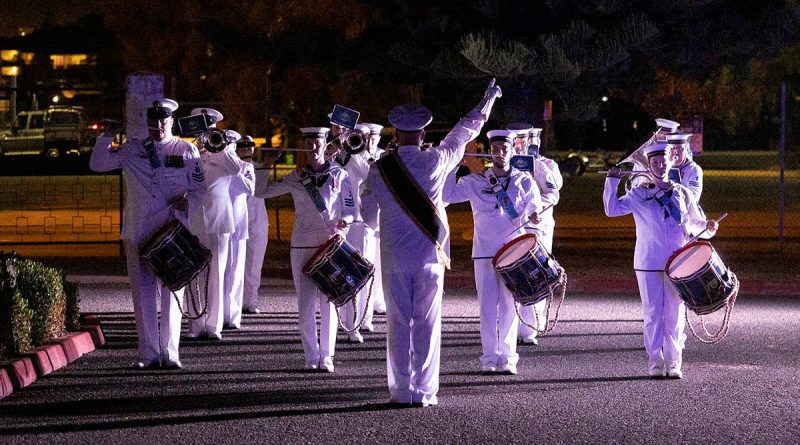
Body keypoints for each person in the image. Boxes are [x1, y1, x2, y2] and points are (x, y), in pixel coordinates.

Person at [361, 79, 502, 406]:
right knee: (427, 323)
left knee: (398, 324)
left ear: (394, 136)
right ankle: (424, 391)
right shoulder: (438, 161)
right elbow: (465, 131)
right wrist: (487, 100)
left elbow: (368, 219)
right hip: (430, 255)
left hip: (395, 258)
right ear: (423, 134)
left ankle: (400, 391)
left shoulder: (379, 169)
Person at [90, 98, 206, 369]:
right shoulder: (133, 149)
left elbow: (200, 189)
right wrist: (106, 137)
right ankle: (148, 353)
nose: (158, 126)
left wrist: (188, 203)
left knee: (171, 292)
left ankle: (171, 352)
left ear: (171, 121)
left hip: (172, 231)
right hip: (139, 230)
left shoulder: (187, 151)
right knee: (142, 294)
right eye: (153, 122)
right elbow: (98, 164)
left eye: (163, 121)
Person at [604, 141, 718, 379]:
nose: (660, 165)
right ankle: (655, 361)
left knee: (674, 315)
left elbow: (696, 225)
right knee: (653, 314)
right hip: (647, 263)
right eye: (655, 162)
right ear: (649, 165)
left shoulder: (682, 193)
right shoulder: (638, 194)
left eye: (663, 160)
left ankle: (674, 362)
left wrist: (709, 228)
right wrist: (611, 182)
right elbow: (611, 209)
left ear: (669, 162)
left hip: (678, 263)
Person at [443, 129, 542, 375]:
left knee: (509, 306)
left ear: (512, 150)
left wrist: (535, 216)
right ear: (489, 151)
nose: (500, 153)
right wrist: (454, 166)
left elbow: (536, 207)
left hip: (513, 252)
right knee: (487, 307)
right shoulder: (475, 182)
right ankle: (489, 357)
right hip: (484, 253)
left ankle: (508, 357)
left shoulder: (524, 181)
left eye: (504, 148)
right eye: (495, 148)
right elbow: (446, 195)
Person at [262, 127, 356, 372]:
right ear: (303, 146)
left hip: (328, 245)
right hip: (302, 245)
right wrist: (265, 166)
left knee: (328, 303)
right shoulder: (296, 177)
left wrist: (345, 222)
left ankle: (327, 356)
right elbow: (260, 192)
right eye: (309, 144)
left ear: (326, 145)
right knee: (305, 305)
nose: (313, 148)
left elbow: (350, 209)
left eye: (317, 143)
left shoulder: (340, 174)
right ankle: (310, 356)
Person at [187, 128, 250, 341]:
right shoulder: (191, 156)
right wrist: (197, 152)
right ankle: (196, 324)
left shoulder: (225, 158)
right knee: (193, 276)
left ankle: (213, 325)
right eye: (202, 135)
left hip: (219, 223)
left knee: (217, 275)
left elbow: (235, 168)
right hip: (194, 221)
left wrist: (219, 148)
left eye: (210, 135)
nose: (205, 140)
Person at [505, 123, 561, 345]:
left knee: (537, 275)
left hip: (540, 226)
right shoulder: (507, 164)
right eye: (516, 141)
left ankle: (531, 327)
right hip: (514, 226)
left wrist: (534, 165)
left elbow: (554, 190)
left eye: (524, 141)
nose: (520, 146)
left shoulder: (546, 164)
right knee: (514, 276)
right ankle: (513, 326)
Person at [334, 124, 372, 343]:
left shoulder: (363, 157)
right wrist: (336, 148)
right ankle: (338, 321)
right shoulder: (332, 153)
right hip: (334, 223)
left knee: (358, 275)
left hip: (357, 223)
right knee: (336, 273)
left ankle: (354, 324)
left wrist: (352, 149)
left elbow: (368, 175)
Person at [223, 136, 256, 329]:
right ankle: (218, 314)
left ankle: (233, 316)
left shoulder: (246, 167)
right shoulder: (217, 166)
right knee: (219, 272)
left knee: (235, 273)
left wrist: (234, 169)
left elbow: (250, 189)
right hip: (220, 224)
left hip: (238, 226)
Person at [360, 123, 387, 327]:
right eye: (368, 137)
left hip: (380, 215)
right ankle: (362, 313)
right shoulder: (354, 154)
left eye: (374, 138)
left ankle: (377, 302)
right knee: (366, 264)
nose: (370, 141)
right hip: (361, 215)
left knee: (379, 261)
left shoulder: (384, 156)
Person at [241, 136, 271, 314]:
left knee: (254, 265)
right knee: (235, 266)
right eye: (243, 148)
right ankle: (235, 302)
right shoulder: (232, 167)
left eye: (249, 148)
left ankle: (251, 300)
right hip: (239, 223)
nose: (246, 151)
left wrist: (267, 163)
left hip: (257, 223)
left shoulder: (259, 168)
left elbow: (260, 187)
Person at [666, 132, 703, 203]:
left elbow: (693, 198)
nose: (675, 152)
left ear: (686, 150)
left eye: (679, 148)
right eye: (671, 148)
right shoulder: (661, 167)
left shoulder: (693, 169)